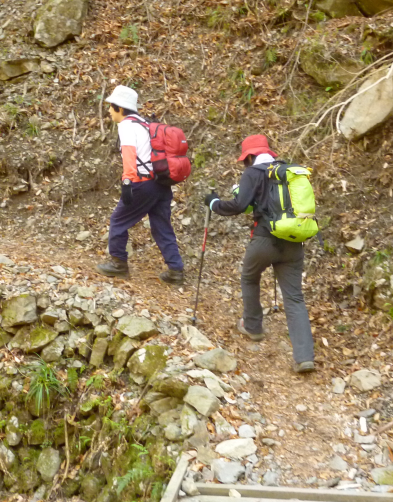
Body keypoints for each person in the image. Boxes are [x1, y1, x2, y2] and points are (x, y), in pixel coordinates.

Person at [204, 134, 316, 373]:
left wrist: (214, 203)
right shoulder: (287, 171)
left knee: (249, 277)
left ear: (250, 157)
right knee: (294, 297)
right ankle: (305, 357)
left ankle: (253, 326)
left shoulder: (253, 173)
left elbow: (238, 206)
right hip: (293, 242)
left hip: (264, 240)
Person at [96, 85, 184, 284]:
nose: (109, 111)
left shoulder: (127, 125)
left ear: (120, 108)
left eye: (111, 106)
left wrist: (127, 182)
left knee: (118, 221)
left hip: (142, 183)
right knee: (162, 226)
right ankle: (176, 270)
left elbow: (129, 155)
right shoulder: (144, 123)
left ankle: (118, 265)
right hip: (161, 182)